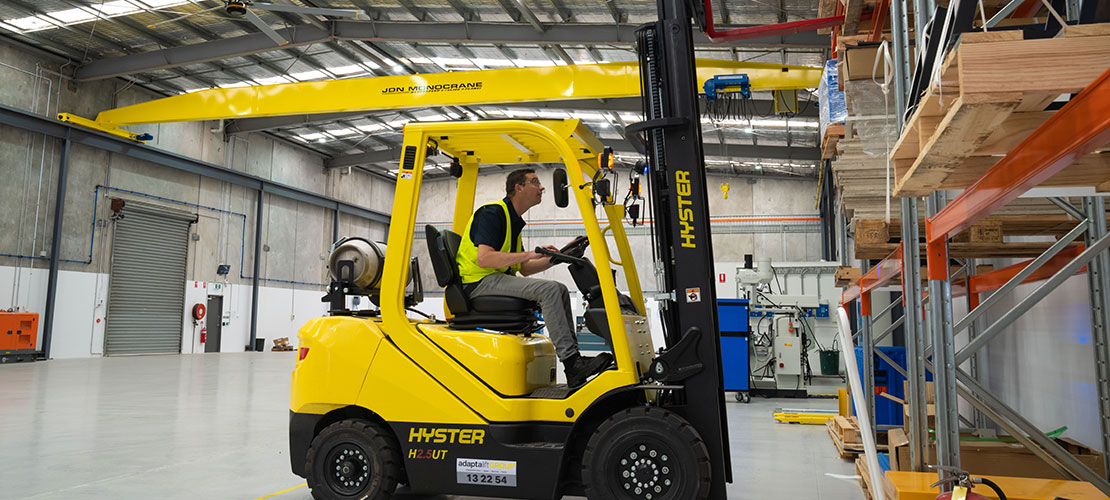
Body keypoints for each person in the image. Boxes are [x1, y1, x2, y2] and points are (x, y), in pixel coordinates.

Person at [456, 168, 612, 388]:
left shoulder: (513, 221)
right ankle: (572, 362)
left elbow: (525, 269)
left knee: (558, 289)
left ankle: (574, 363)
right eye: (535, 182)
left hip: (494, 280)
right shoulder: (493, 213)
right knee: (550, 290)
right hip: (479, 283)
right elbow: (485, 259)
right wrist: (531, 253)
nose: (542, 187)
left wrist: (560, 257)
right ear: (518, 188)